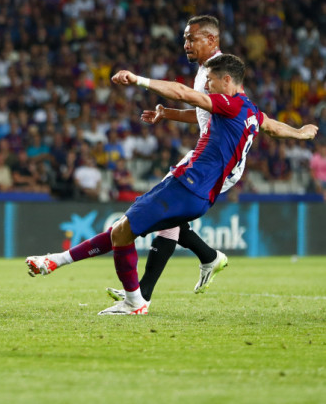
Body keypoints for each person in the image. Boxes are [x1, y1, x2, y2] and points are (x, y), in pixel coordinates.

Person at [26, 54, 318, 315]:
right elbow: (274, 127)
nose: (208, 87)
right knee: (123, 230)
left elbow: (183, 93)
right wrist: (301, 133)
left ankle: (135, 302)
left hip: (188, 184)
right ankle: (56, 262)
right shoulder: (252, 111)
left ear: (228, 80)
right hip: (200, 195)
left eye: (211, 81)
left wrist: (138, 80)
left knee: (123, 232)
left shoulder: (229, 104)